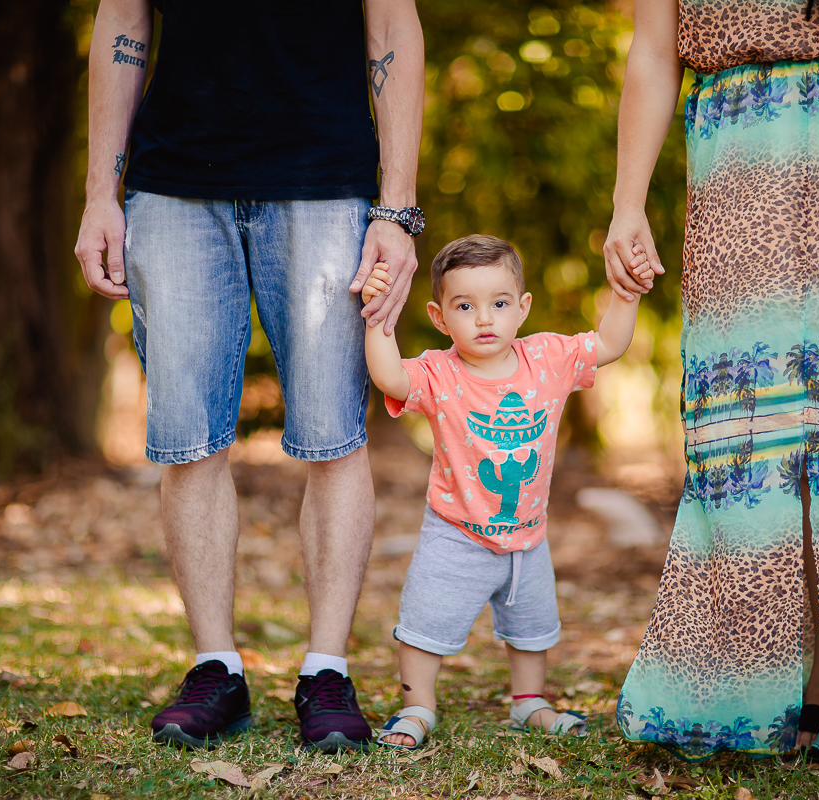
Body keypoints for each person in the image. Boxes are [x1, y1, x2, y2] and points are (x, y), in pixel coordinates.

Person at [604, 0, 819, 764]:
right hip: (735, 154)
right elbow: (652, 53)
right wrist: (626, 202)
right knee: (741, 426)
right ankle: (745, 684)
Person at [73, 0, 425, 752]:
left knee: (335, 435)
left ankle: (326, 673)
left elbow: (392, 28)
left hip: (327, 180)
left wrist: (398, 212)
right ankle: (216, 670)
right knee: (187, 439)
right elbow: (122, 21)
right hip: (170, 186)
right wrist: (99, 193)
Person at [358, 235, 644, 749]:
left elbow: (610, 345)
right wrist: (378, 317)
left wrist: (628, 293)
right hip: (456, 533)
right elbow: (389, 376)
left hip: (528, 536)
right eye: (465, 306)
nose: (484, 318)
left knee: (533, 627)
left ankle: (528, 702)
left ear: (522, 308)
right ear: (440, 317)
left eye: (499, 303)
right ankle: (418, 705)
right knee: (425, 623)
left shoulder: (549, 358)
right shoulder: (440, 372)